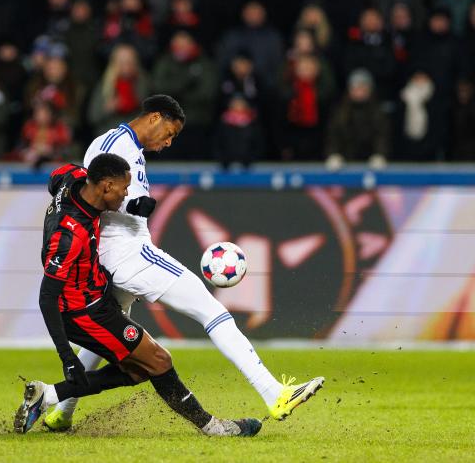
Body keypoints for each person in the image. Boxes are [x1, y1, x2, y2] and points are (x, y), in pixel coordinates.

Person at [43, 95, 323, 431]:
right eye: (170, 133)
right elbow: (98, 188)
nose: (168, 142)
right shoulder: (115, 145)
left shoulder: (125, 147)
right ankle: (274, 392)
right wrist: (135, 205)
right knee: (210, 309)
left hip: (114, 256)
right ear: (155, 117)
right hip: (128, 254)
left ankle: (60, 410)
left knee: (108, 333)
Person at [13, 155, 260, 438]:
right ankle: (214, 428)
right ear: (106, 186)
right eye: (124, 188)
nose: (127, 193)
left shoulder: (74, 176)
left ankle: (47, 396)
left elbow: (54, 177)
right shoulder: (69, 236)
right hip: (84, 314)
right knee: (158, 360)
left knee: (139, 370)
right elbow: (47, 298)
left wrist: (130, 207)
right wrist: (67, 356)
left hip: (98, 298)